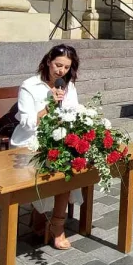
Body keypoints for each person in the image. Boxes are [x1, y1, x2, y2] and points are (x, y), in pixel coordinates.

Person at [10, 44, 83, 250]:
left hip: (58, 139)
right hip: (30, 141)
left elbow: (73, 113)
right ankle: (42, 216)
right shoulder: (30, 85)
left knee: (69, 165)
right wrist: (49, 105)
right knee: (56, 166)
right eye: (58, 65)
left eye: (66, 68)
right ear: (48, 62)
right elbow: (26, 122)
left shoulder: (67, 85)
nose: (61, 71)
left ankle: (57, 225)